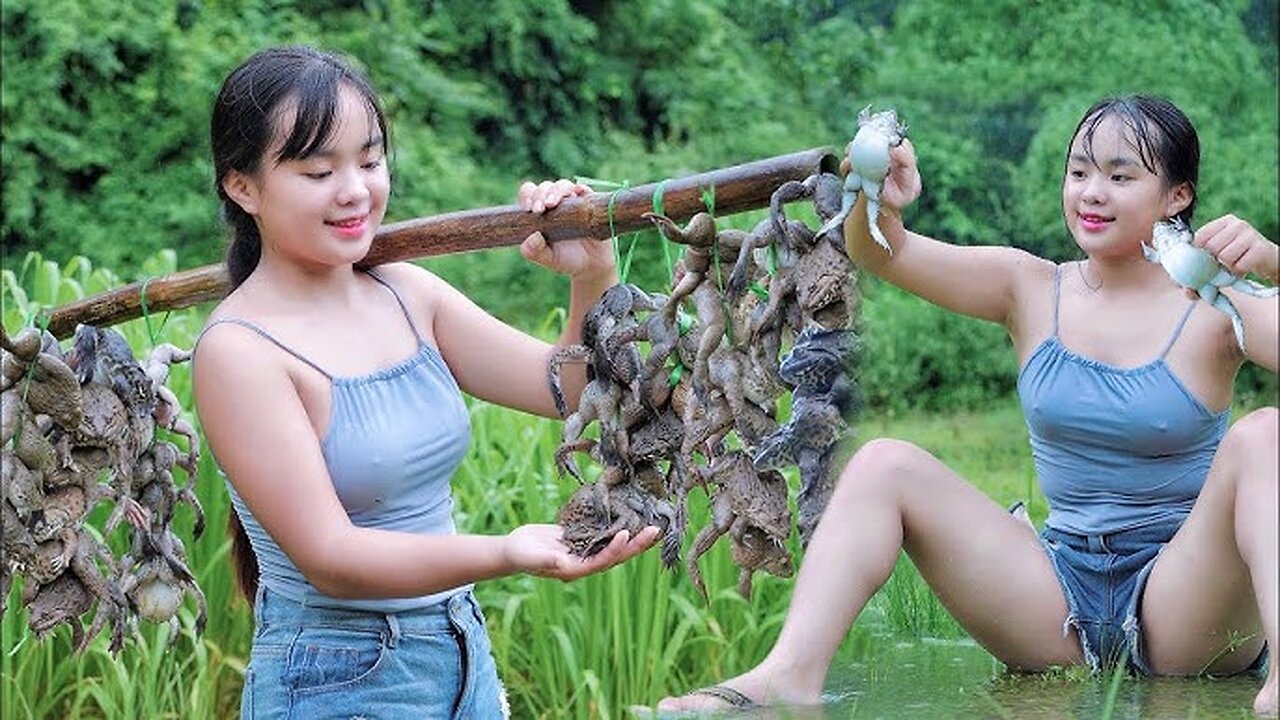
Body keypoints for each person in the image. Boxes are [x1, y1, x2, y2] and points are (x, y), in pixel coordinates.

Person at [657, 95, 1278, 716]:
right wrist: (879, 198)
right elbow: (884, 251)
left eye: (1120, 176)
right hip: (1055, 598)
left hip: (1185, 602)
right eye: (1080, 171)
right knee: (883, 464)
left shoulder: (1218, 305)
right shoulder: (1029, 287)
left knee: (1265, 436)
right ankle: (787, 675)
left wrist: (1275, 263)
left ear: (1176, 196)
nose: (1092, 192)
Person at [191, 45, 659, 719]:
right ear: (243, 186)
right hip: (335, 677)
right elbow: (331, 556)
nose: (355, 189)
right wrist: (507, 551)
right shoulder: (240, 351)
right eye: (319, 170)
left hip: (458, 646)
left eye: (370, 160)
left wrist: (593, 275)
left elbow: (570, 392)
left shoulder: (405, 292)